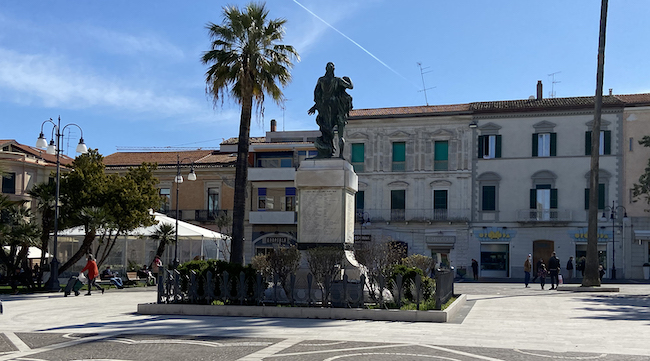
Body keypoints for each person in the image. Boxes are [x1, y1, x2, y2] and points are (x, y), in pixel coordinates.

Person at [308, 62, 354, 159]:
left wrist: (315, 106)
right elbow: (350, 86)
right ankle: (339, 155)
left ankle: (327, 151)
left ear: (326, 69)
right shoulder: (337, 80)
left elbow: (317, 95)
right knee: (338, 133)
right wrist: (348, 79)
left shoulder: (321, 80)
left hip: (324, 106)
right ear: (334, 69)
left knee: (326, 130)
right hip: (336, 107)